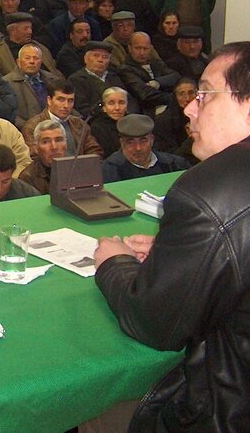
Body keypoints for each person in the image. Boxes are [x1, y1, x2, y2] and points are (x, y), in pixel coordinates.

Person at [94, 42, 250, 430]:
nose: (189, 108)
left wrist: (114, 262)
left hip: (223, 410)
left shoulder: (209, 192)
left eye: (205, 95)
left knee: (98, 414)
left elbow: (154, 323)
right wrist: (176, 255)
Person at [101, 114, 189, 182]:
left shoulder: (174, 165)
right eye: (130, 142)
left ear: (152, 140)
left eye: (143, 141)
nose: (138, 148)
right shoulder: (108, 171)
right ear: (121, 143)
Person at [19, 119, 69, 194]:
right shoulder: (27, 178)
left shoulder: (77, 169)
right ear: (36, 148)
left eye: (59, 140)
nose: (54, 147)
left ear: (66, 144)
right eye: (46, 142)